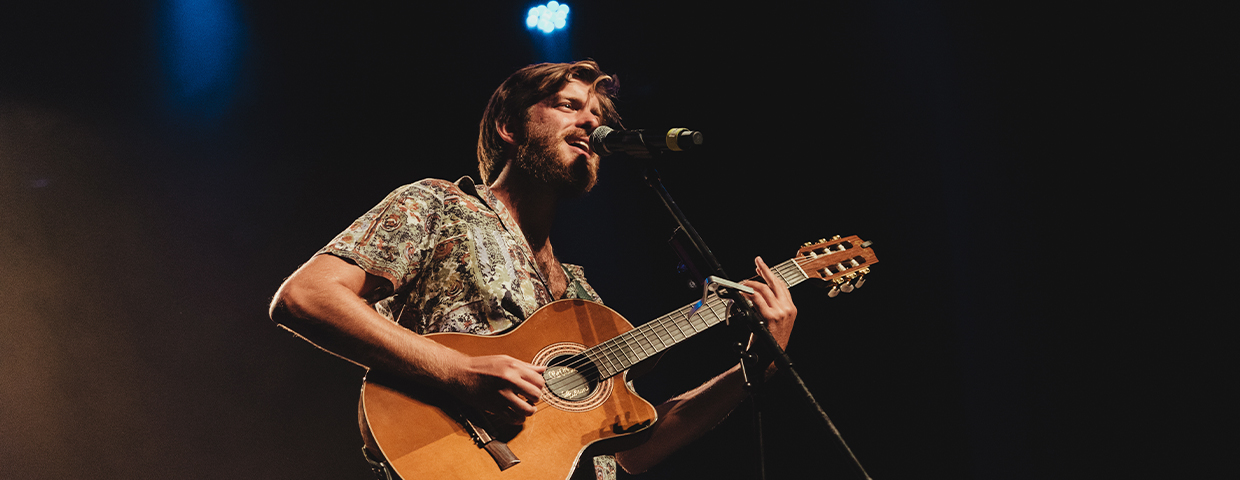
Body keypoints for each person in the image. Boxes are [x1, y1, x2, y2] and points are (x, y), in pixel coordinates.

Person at [268, 60, 797, 479]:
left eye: (599, 116)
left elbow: (635, 450)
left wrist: (756, 369)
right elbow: (306, 296)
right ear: (508, 127)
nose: (592, 121)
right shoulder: (436, 206)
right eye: (569, 106)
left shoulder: (584, 295)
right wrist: (457, 371)